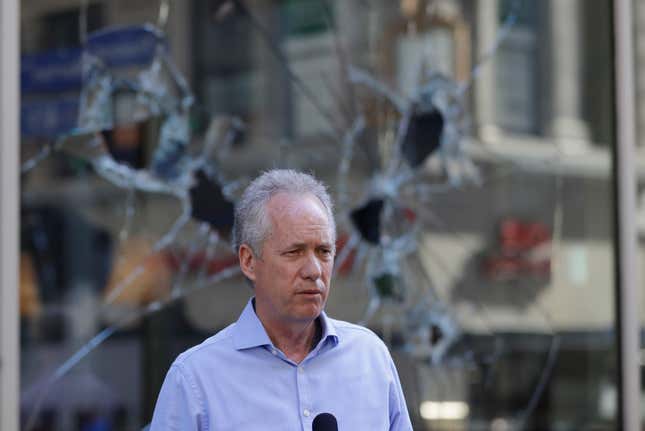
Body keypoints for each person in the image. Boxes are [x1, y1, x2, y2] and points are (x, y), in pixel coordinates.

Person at [149, 169, 413, 430]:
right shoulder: (196, 378)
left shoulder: (370, 358)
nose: (313, 270)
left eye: (324, 251)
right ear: (249, 261)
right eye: (294, 252)